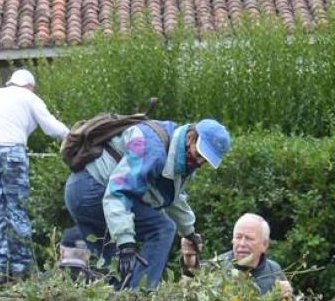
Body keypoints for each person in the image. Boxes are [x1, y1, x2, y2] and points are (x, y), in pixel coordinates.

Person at [62, 118, 231, 289]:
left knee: (120, 273)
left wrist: (189, 232)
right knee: (162, 229)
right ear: (190, 138)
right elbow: (117, 192)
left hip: (82, 192)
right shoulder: (152, 148)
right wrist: (126, 241)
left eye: (206, 161)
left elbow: (172, 197)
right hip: (92, 190)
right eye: (200, 154)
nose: (200, 162)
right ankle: (141, 299)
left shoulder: (178, 156)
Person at [0, 69, 69, 281]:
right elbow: (52, 128)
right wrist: (72, 135)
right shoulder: (28, 97)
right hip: (11, 154)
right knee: (16, 210)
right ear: (29, 86)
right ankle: (21, 269)